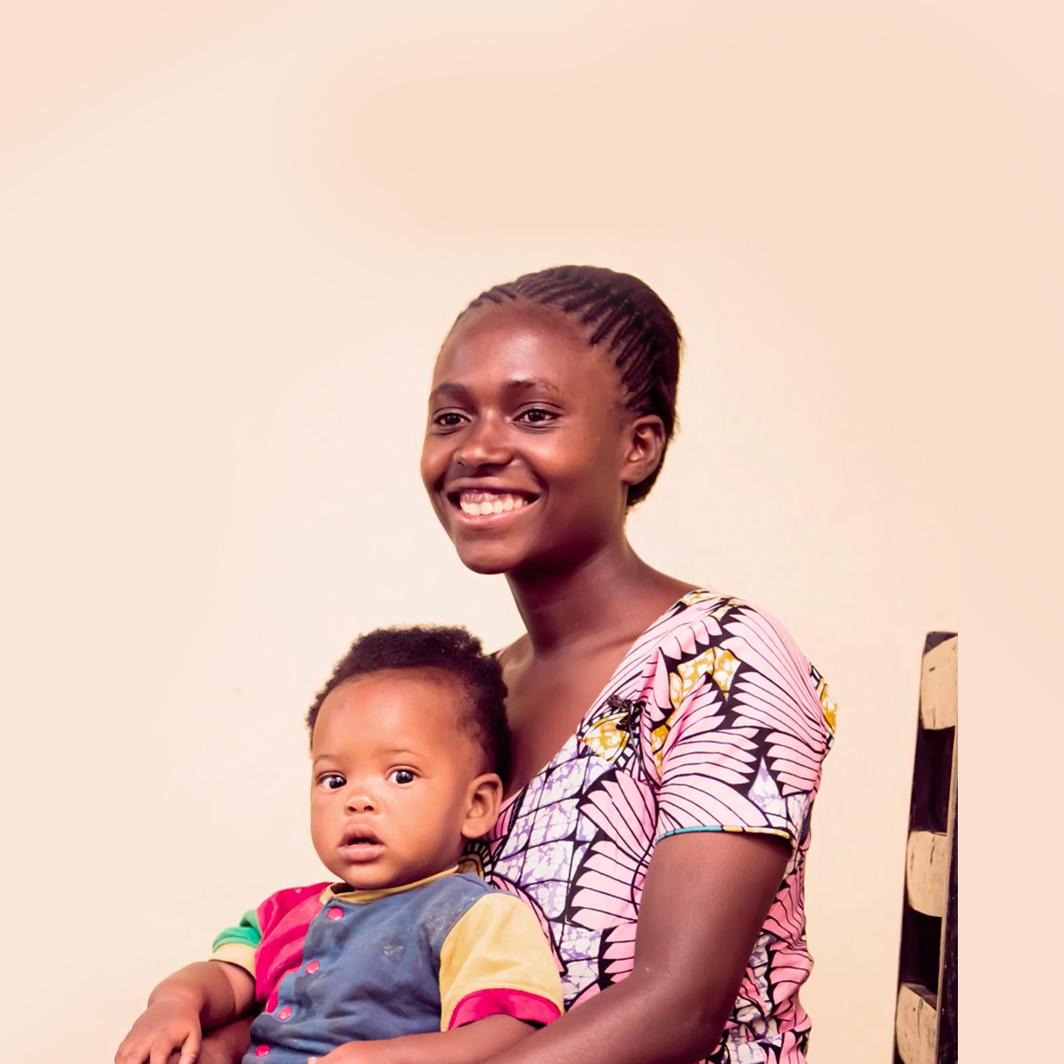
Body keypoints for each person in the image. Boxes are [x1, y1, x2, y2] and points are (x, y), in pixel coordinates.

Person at [202, 264, 836, 1064]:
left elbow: (680, 1007)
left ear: (637, 446)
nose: (478, 448)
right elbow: (385, 960)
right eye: (451, 417)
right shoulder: (471, 695)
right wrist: (232, 1037)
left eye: (534, 414)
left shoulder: (722, 659)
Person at [115, 626, 564, 1064]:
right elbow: (227, 978)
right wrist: (174, 1002)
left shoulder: (474, 916)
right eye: (334, 780)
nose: (358, 800)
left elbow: (513, 1029)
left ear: (475, 805)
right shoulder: (283, 913)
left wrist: (393, 1056)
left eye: (401, 775)